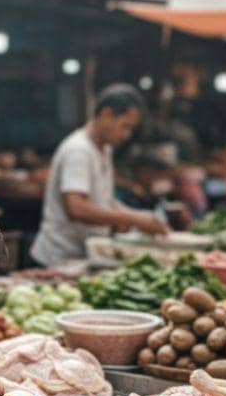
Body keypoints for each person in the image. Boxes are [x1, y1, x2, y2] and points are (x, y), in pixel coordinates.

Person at [29, 83, 169, 267]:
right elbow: (76, 208)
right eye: (125, 126)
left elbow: (103, 201)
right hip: (58, 260)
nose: (127, 135)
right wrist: (134, 218)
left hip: (82, 256)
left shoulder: (104, 150)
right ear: (106, 114)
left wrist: (143, 218)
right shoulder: (79, 150)